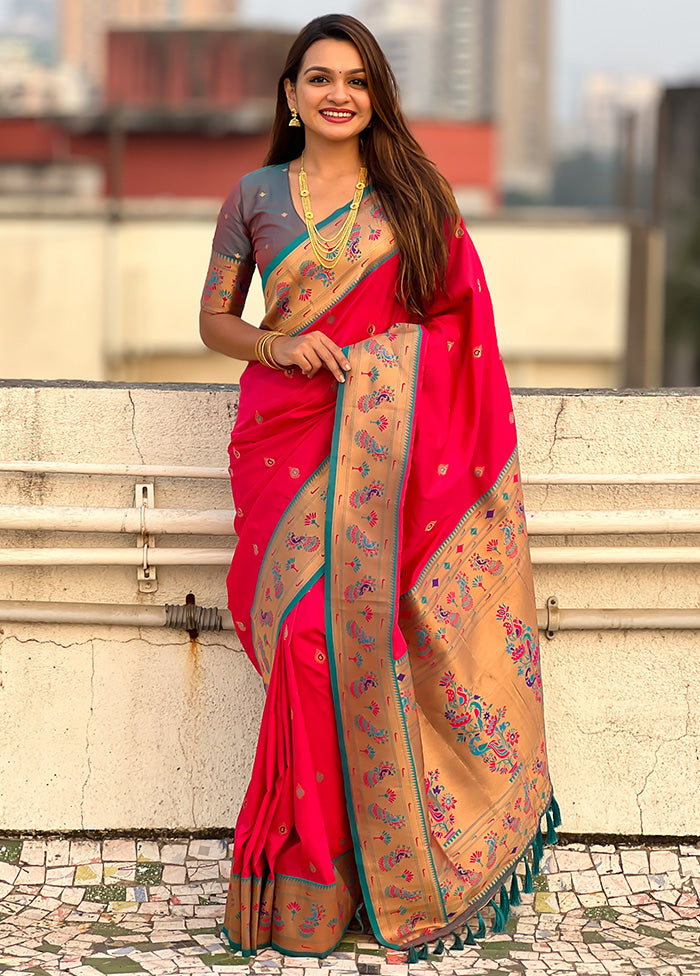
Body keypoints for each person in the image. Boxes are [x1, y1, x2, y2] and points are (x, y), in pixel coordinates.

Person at [199, 13, 559, 960]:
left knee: (336, 646)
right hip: (280, 441)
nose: (337, 95)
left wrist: (383, 364)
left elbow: (460, 324)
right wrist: (277, 341)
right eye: (318, 78)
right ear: (289, 95)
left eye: (356, 80)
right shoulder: (255, 196)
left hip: (382, 454)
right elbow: (214, 321)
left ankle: (330, 878)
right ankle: (310, 878)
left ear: (376, 95)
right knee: (301, 643)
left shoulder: (411, 196)